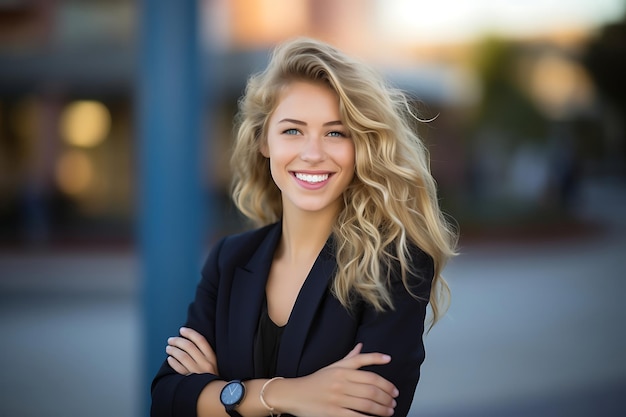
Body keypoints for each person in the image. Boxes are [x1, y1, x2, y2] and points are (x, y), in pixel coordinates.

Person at [150, 37, 457, 417]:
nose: (313, 154)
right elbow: (166, 399)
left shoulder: (395, 265)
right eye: (292, 131)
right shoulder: (229, 259)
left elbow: (371, 412)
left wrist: (220, 393)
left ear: (361, 145)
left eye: (335, 132)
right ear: (265, 141)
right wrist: (286, 395)